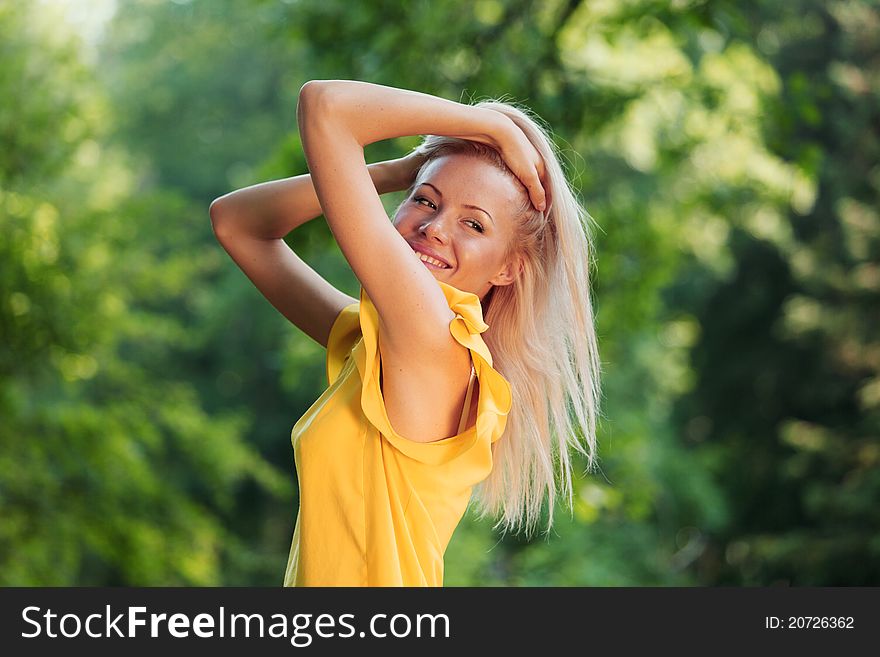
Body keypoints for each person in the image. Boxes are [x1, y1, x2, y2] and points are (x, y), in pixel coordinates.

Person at [209, 79, 602, 586]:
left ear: (508, 268)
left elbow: (325, 105)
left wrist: (488, 125)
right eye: (425, 200)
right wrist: (396, 172)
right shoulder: (381, 344)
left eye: (475, 225)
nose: (435, 227)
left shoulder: (433, 340)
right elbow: (237, 225)